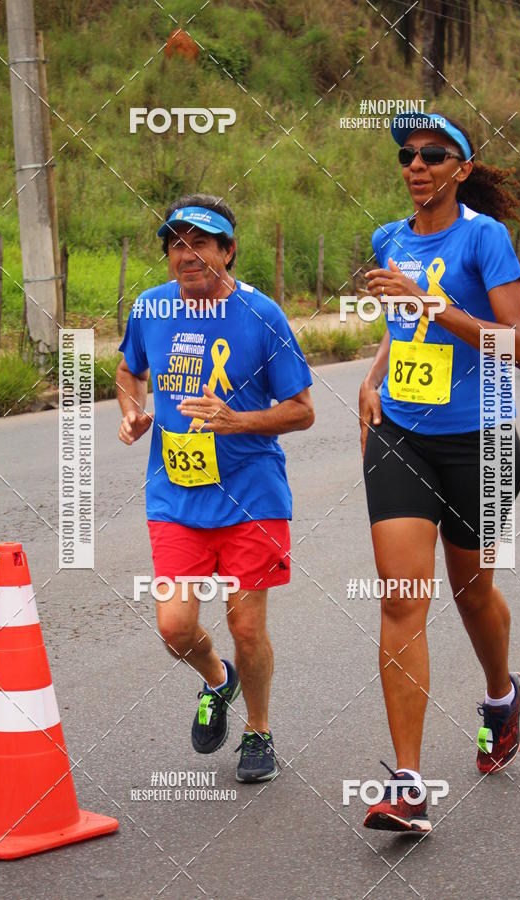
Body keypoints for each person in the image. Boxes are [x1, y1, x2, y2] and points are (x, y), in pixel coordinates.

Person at [359, 114, 520, 833]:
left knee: (472, 594)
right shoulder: (388, 238)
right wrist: (374, 376)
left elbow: (518, 345)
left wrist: (434, 303)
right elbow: (403, 328)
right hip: (401, 435)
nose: (417, 163)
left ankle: (501, 693)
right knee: (403, 597)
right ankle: (406, 782)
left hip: (482, 445)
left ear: (461, 169)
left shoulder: (484, 238)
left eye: (434, 154)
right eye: (408, 154)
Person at [116, 194, 314, 782]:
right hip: (176, 495)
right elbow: (130, 370)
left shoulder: (261, 314)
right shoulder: (150, 308)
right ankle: (217, 680)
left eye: (201, 242)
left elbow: (301, 411)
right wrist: (132, 410)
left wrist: (237, 421)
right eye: (176, 243)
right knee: (175, 629)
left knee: (247, 625)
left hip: (251, 494)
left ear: (228, 251)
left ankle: (259, 732)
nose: (187, 254)